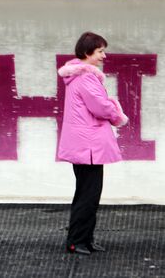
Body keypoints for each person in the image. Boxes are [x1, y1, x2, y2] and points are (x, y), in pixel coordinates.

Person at [57, 32, 128, 255]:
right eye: (100, 51)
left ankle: (84, 239)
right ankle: (77, 241)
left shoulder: (78, 76)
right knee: (88, 196)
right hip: (88, 146)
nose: (103, 56)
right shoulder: (87, 78)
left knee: (86, 194)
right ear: (88, 52)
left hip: (85, 145)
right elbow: (101, 107)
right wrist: (118, 115)